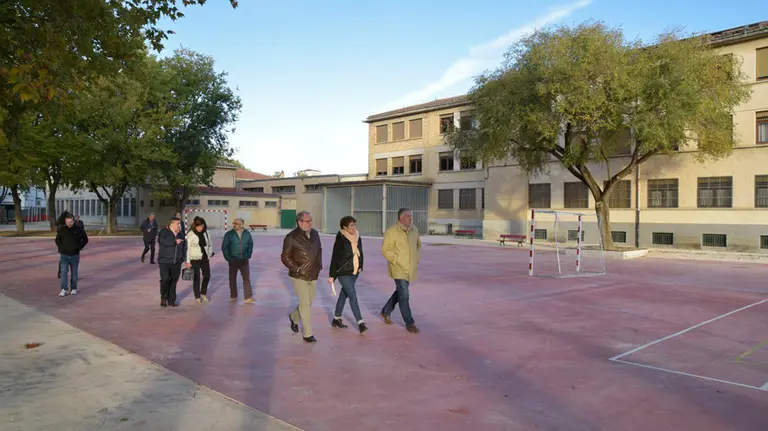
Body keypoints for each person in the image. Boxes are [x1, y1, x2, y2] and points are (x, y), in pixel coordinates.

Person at [281, 211, 323, 343]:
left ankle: (294, 317)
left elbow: (319, 250)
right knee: (305, 303)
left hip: (314, 273)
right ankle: (308, 333)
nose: (310, 223)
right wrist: (297, 269)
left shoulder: (315, 233)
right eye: (308, 221)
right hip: (299, 275)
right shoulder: (291, 237)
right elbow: (285, 257)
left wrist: (319, 264)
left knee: (309, 302)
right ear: (300, 222)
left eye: (311, 220)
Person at [380, 207, 422, 333]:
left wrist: (416, 258)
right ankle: (410, 323)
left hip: (410, 268)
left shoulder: (414, 230)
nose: (411, 218)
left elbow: (418, 245)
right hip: (398, 268)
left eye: (411, 216)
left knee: (401, 292)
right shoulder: (392, 231)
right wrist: (396, 259)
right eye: (408, 216)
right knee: (404, 295)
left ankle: (386, 311)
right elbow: (385, 250)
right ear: (401, 218)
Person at [328, 215, 368, 334]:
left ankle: (336, 318)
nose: (354, 227)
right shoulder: (341, 238)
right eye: (351, 225)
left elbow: (360, 252)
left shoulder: (357, 236)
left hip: (354, 271)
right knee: (352, 295)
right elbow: (335, 256)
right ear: (344, 227)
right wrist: (332, 275)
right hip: (343, 272)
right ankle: (360, 322)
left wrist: (360, 266)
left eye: (354, 224)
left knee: (344, 294)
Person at [221, 218, 255, 304]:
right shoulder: (229, 234)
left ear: (242, 225)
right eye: (234, 223)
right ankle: (233, 296)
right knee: (232, 278)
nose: (234, 225)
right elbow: (224, 247)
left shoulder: (247, 234)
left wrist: (248, 255)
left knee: (246, 278)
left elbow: (250, 244)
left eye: (236, 223)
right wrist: (228, 258)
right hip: (233, 259)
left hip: (244, 259)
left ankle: (248, 297)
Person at [55, 213, 89, 297]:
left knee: (74, 273)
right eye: (67, 222)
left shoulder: (79, 229)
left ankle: (73, 288)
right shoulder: (62, 230)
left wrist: (79, 247)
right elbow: (57, 240)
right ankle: (64, 289)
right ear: (65, 222)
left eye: (70, 222)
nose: (69, 224)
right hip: (64, 255)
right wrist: (61, 248)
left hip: (74, 255)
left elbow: (85, 239)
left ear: (73, 221)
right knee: (63, 272)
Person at [157, 216, 185, 307]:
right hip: (165, 261)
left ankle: (171, 300)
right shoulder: (164, 232)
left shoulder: (180, 233)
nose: (179, 226)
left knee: (174, 280)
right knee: (165, 279)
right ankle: (164, 298)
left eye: (179, 224)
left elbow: (184, 246)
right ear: (171, 224)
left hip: (176, 261)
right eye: (177, 224)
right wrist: (174, 241)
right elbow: (162, 241)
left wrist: (182, 258)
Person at [185, 217, 213, 304]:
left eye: (202, 226)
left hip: (204, 258)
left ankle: (203, 293)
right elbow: (187, 249)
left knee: (207, 275)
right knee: (196, 278)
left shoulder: (207, 233)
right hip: (194, 259)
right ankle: (197, 296)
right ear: (195, 226)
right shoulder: (190, 234)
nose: (200, 228)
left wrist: (210, 253)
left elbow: (210, 244)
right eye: (198, 226)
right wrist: (187, 261)